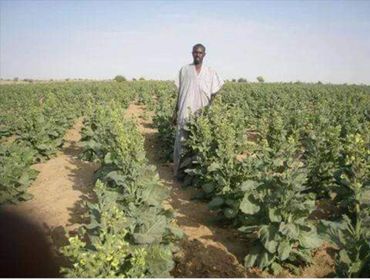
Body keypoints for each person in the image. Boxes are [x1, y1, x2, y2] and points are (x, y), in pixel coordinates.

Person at [172, 43, 224, 177]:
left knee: (200, 142)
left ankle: (197, 175)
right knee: (182, 141)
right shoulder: (184, 70)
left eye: (200, 53)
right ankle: (180, 173)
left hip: (202, 113)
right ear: (192, 53)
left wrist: (209, 108)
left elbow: (215, 93)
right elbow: (179, 93)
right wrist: (175, 111)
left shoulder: (211, 72)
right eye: (195, 52)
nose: (197, 55)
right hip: (184, 110)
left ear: (204, 55)